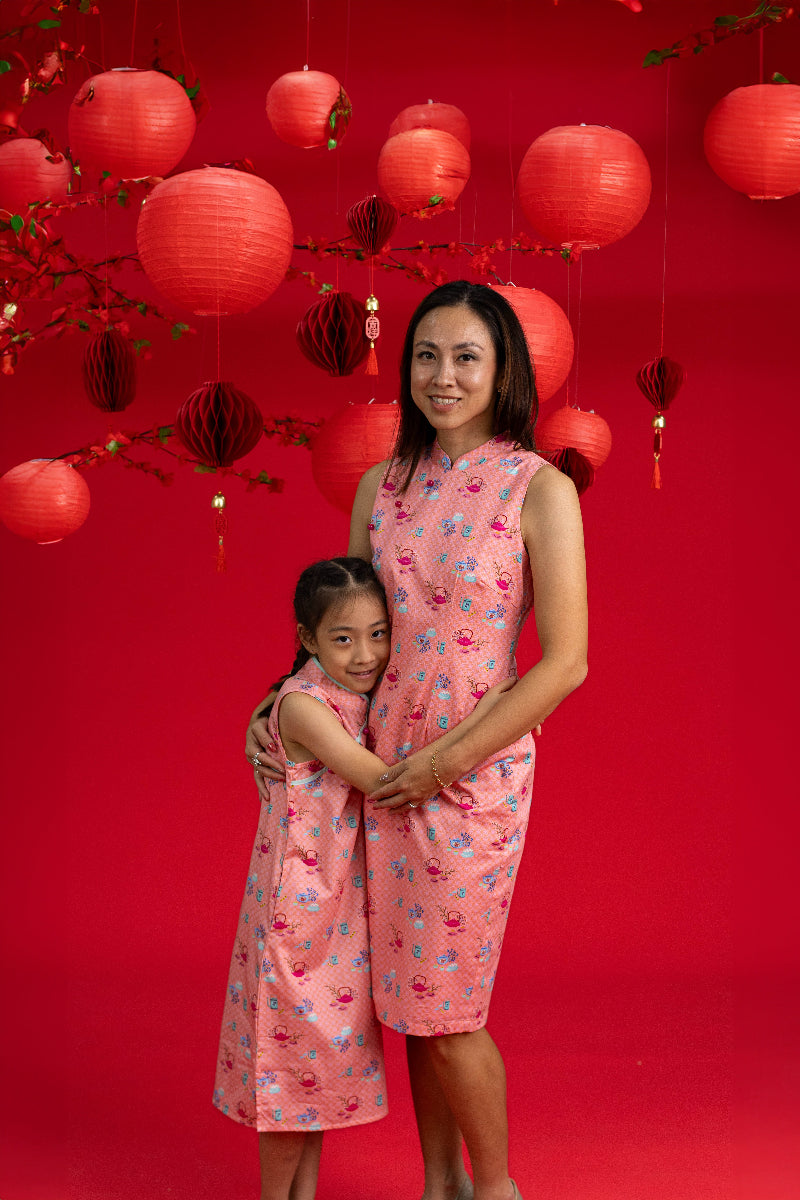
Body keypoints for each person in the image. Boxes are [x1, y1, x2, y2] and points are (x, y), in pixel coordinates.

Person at [247, 282, 588, 1200]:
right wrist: (280, 703)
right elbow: (342, 628)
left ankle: (499, 1188)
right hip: (375, 774)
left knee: (448, 1009)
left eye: (467, 357)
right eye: (427, 355)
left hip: (468, 781)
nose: (443, 376)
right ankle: (441, 1186)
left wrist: (447, 762)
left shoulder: (541, 489)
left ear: (504, 370)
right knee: (409, 1002)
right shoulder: (381, 486)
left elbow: (566, 662)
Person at [218, 555, 514, 1200]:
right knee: (290, 1066)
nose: (365, 654)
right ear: (306, 639)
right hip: (297, 912)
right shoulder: (305, 707)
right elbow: (383, 780)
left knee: (313, 1069)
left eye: (379, 633)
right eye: (343, 638)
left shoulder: (350, 694)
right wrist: (491, 722)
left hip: (337, 906)